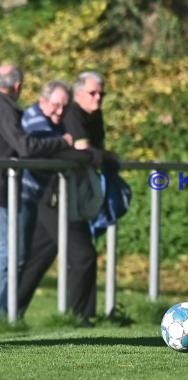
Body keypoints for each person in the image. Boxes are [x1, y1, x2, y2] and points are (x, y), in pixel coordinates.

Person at [17, 71, 109, 326]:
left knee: (38, 258)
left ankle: (9, 311)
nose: (98, 98)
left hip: (58, 194)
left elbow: (75, 150)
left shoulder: (85, 115)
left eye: (102, 93)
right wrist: (94, 155)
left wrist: (96, 154)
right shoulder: (65, 115)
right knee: (83, 255)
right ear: (78, 93)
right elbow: (71, 152)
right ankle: (79, 317)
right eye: (93, 93)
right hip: (54, 197)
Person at [0, 64, 73, 317]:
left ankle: (9, 315)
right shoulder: (12, 110)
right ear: (18, 86)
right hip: (10, 192)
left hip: (14, 192)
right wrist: (63, 144)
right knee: (10, 258)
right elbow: (26, 147)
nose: (60, 111)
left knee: (15, 257)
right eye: (56, 105)